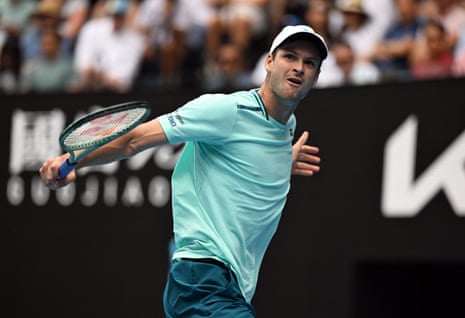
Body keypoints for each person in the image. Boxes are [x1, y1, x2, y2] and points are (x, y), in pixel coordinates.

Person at [39, 24, 327, 317]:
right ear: (268, 62)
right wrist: (71, 160)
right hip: (202, 280)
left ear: (316, 77)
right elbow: (133, 140)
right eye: (289, 57)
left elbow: (250, 155)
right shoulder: (226, 111)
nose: (299, 68)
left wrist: (280, 161)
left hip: (233, 288)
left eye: (309, 63)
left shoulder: (284, 130)